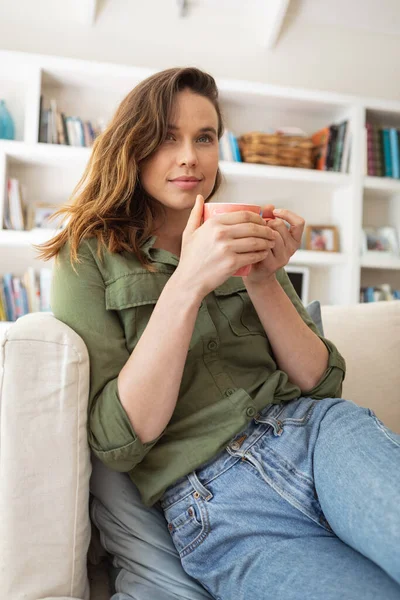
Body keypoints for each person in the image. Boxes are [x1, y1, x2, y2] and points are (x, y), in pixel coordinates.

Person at [36, 67, 400, 600]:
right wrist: (187, 281)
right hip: (217, 506)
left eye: (204, 138)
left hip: (318, 435)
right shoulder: (85, 256)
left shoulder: (238, 228)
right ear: (131, 147)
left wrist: (263, 277)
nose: (190, 156)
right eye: (166, 137)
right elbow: (118, 440)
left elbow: (320, 383)